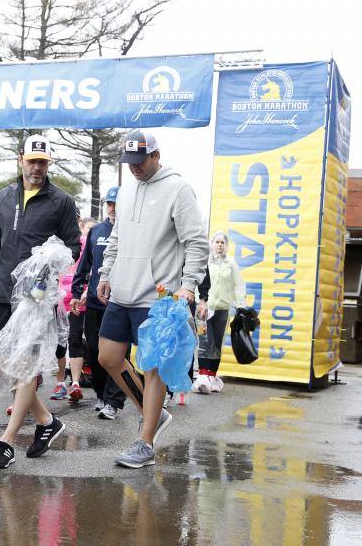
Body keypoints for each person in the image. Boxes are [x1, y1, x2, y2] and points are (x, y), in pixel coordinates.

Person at [95, 129, 207, 469]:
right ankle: (152, 414)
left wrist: (188, 285)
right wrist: (105, 274)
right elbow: (115, 239)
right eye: (129, 162)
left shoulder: (179, 189)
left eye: (140, 161)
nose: (135, 168)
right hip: (123, 291)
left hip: (159, 294)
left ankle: (145, 442)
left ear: (156, 155)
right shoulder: (127, 191)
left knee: (153, 367)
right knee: (108, 357)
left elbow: (196, 241)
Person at [0, 134, 80, 469]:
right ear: (21, 160)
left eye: (43, 163)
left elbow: (74, 247)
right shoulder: (4, 197)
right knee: (6, 365)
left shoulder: (61, 201)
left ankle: (6, 441)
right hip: (4, 293)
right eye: (32, 161)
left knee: (26, 367)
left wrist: (51, 258)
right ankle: (47, 422)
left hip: (35, 298)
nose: (37, 167)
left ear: (49, 164)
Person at [69, 187, 128, 420]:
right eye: (110, 203)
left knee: (117, 354)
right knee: (94, 352)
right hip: (94, 301)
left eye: (116, 203)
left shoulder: (131, 231)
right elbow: (85, 263)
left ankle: (114, 401)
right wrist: (77, 291)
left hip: (120, 302)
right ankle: (102, 395)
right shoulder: (97, 231)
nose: (112, 208)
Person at [192, 231, 245, 394]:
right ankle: (202, 376)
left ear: (226, 245)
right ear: (212, 244)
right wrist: (199, 300)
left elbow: (238, 285)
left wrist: (240, 305)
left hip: (222, 310)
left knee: (216, 343)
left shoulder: (231, 264)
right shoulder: (205, 262)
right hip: (204, 309)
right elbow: (198, 282)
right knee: (204, 340)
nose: (220, 245)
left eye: (223, 242)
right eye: (217, 242)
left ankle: (212, 377)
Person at [51, 217, 96, 402]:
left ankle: (75, 383)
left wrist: (85, 290)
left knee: (74, 339)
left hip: (77, 299)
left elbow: (92, 268)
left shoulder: (87, 243)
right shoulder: (56, 242)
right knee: (59, 344)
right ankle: (60, 382)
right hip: (58, 298)